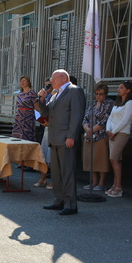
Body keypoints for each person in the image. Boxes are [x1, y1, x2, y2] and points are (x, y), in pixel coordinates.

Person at [37, 69, 86, 215]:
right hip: (54, 137)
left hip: (66, 138)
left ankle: (71, 204)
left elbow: (77, 115)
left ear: (64, 78)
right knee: (57, 174)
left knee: (67, 172)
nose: (51, 82)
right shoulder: (55, 93)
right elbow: (46, 113)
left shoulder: (74, 91)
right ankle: (59, 200)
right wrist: (41, 99)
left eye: (54, 79)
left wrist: (72, 136)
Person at [106, 80, 132, 198]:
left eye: (122, 88)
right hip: (112, 133)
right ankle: (115, 184)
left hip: (121, 133)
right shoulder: (118, 103)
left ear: (128, 90)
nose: (119, 90)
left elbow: (125, 120)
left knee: (114, 158)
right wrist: (108, 130)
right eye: (119, 87)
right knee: (114, 159)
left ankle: (119, 187)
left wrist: (114, 131)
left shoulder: (130, 103)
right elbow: (110, 117)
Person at [81, 83, 114, 190]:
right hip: (89, 136)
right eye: (96, 93)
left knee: (100, 160)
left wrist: (92, 130)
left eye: (101, 94)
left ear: (106, 94)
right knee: (90, 160)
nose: (98, 96)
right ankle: (93, 182)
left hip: (100, 135)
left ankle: (101, 183)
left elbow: (105, 119)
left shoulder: (109, 104)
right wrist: (87, 128)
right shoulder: (93, 103)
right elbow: (85, 118)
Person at [12, 76, 37, 141]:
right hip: (19, 117)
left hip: (28, 117)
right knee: (17, 136)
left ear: (28, 82)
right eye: (21, 81)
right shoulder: (20, 94)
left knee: (26, 135)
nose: (22, 82)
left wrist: (39, 118)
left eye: (24, 81)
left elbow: (36, 106)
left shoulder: (32, 93)